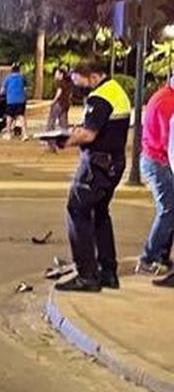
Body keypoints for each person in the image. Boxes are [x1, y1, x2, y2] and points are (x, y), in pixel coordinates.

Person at [50, 60, 132, 292]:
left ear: (93, 77)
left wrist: (64, 140)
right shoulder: (116, 90)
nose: (78, 87)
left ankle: (87, 275)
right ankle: (108, 272)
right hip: (114, 164)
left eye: (80, 82)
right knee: (100, 214)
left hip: (96, 166)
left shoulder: (99, 97)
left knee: (77, 210)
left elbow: (89, 134)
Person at [134, 67, 174, 278]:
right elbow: (170, 143)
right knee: (168, 210)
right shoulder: (167, 103)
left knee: (170, 209)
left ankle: (160, 256)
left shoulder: (165, 97)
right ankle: (149, 258)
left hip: (157, 159)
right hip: (158, 161)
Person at [1, 65, 27, 137]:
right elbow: (25, 89)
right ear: (19, 71)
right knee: (21, 116)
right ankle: (25, 134)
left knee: (9, 116)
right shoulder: (22, 78)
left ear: (11, 71)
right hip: (21, 100)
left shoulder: (8, 78)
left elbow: (3, 89)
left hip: (11, 100)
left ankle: (8, 133)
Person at [44, 66, 72, 132]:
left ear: (61, 74)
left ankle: (49, 133)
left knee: (52, 119)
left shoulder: (59, 82)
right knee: (63, 120)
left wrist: (53, 101)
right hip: (66, 103)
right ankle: (65, 134)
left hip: (59, 103)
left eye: (57, 73)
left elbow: (59, 92)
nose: (55, 75)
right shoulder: (68, 82)